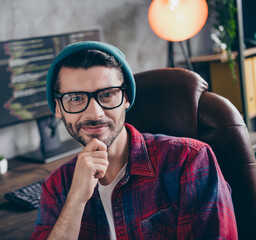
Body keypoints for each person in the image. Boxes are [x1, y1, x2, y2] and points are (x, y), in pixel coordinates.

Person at [31, 41, 238, 239]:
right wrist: (75, 199)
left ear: (126, 98)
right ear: (58, 108)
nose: (95, 113)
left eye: (107, 95)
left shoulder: (189, 160)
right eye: (75, 98)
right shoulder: (57, 185)